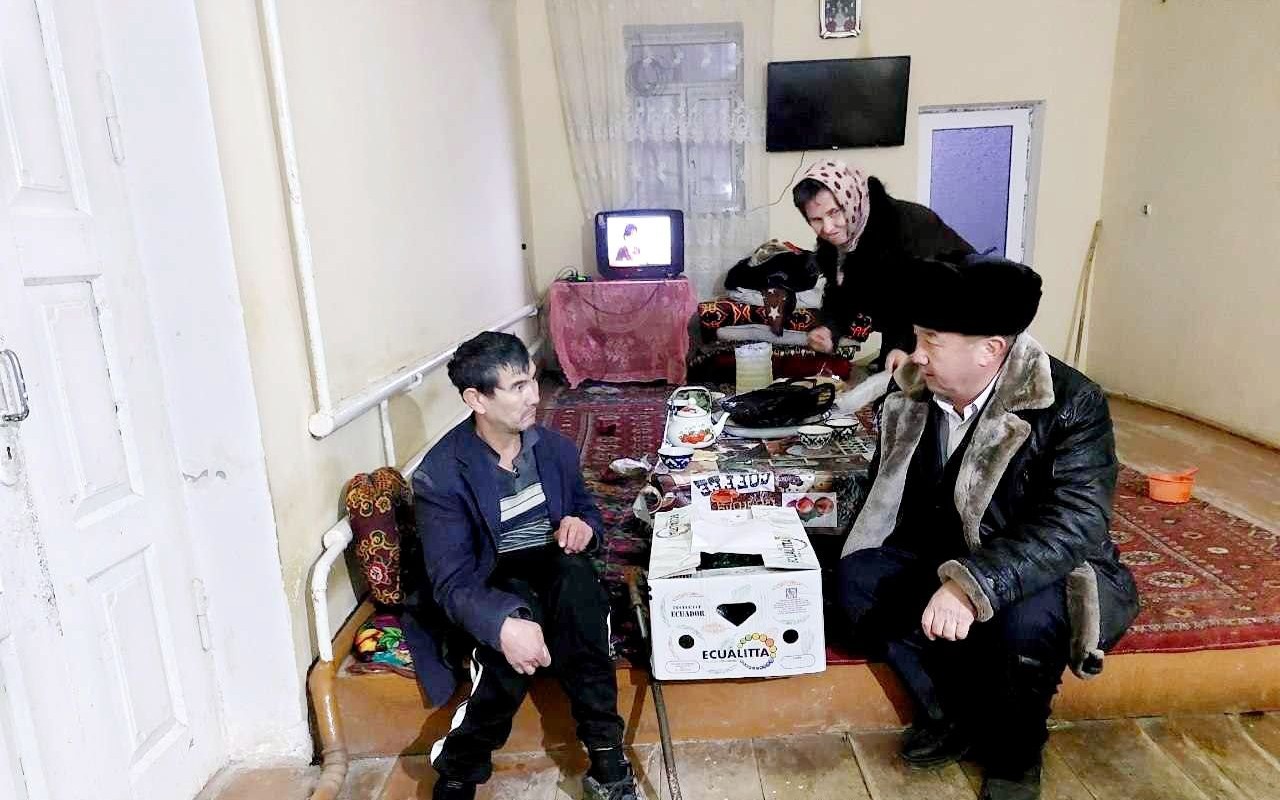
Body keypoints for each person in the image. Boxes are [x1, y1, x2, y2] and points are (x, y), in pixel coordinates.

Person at [836, 255, 1139, 800]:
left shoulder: (1070, 402)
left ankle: (1016, 753)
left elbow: (1076, 522)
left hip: (1043, 567)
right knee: (857, 580)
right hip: (943, 550)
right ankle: (950, 715)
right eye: (917, 336)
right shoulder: (913, 396)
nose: (916, 354)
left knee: (1026, 621)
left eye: (932, 341)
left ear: (990, 350)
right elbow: (892, 495)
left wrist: (971, 584)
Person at [409, 332, 640, 800]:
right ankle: (459, 769)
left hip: (551, 562)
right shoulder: (442, 474)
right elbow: (452, 582)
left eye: (532, 381)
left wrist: (583, 526)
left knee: (581, 596)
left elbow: (586, 509)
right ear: (477, 399)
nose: (535, 396)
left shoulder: (552, 449)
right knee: (510, 642)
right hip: (489, 575)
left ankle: (606, 756)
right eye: (517, 387)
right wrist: (503, 625)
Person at [792, 160, 974, 372]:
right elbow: (842, 291)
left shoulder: (907, 225)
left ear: (851, 200)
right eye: (816, 219)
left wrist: (900, 348)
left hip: (962, 327)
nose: (828, 228)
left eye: (835, 212)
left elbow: (919, 300)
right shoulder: (842, 237)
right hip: (912, 330)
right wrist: (829, 330)